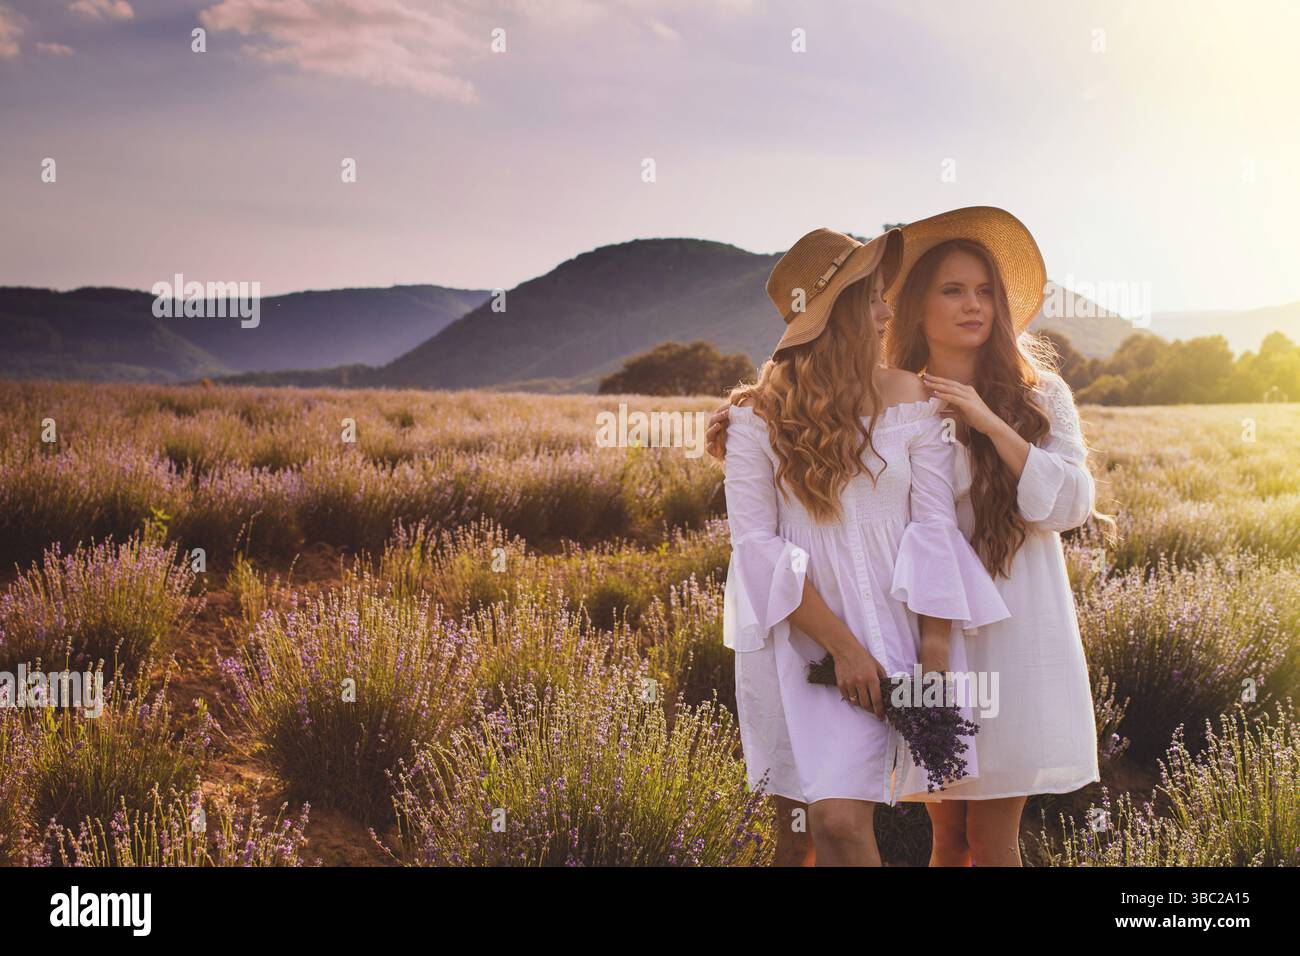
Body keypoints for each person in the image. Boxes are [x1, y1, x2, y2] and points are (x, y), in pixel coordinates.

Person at [712, 207, 1106, 867]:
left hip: (1001, 626)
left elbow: (1064, 505)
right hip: (911, 621)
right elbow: (820, 434)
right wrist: (747, 407)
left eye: (985, 292)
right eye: (953, 290)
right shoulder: (903, 397)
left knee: (990, 839)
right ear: (915, 305)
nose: (973, 306)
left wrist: (990, 422)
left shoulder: (1037, 397)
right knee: (937, 836)